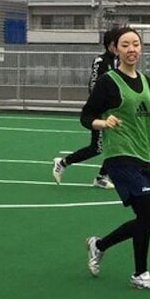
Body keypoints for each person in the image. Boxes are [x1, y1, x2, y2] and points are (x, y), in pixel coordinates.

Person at [81, 27, 150, 291]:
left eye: (136, 44)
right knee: (145, 212)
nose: (132, 49)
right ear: (116, 50)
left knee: (147, 218)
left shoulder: (146, 81)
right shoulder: (108, 82)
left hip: (144, 157)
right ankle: (140, 274)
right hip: (120, 156)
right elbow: (86, 116)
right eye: (125, 45)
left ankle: (99, 245)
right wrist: (102, 122)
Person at [52, 28, 119, 189]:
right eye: (118, 44)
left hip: (113, 111)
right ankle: (63, 163)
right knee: (97, 148)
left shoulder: (119, 62)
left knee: (117, 145)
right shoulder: (101, 61)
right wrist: (101, 106)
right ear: (110, 45)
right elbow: (93, 84)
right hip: (100, 111)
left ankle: (102, 177)